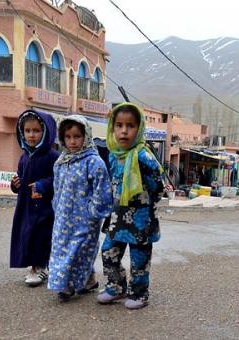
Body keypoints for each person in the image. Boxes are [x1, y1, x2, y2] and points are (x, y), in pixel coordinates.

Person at [97, 103, 165, 310]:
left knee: (139, 258)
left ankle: (139, 293)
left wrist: (144, 204)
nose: (124, 131)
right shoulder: (113, 153)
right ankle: (116, 287)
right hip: (117, 216)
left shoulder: (144, 156)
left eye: (130, 126)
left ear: (139, 128)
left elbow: (158, 187)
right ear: (112, 128)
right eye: (118, 125)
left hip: (140, 218)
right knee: (109, 251)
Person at [48, 115, 113, 302]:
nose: (72, 141)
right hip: (62, 218)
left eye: (77, 136)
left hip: (86, 220)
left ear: (86, 136)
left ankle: (78, 282)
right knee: (62, 251)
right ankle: (72, 283)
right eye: (68, 137)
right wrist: (56, 207)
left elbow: (102, 191)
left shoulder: (94, 162)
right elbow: (57, 188)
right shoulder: (61, 161)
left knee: (81, 251)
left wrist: (93, 213)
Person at [10, 110, 59, 286]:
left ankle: (39, 268)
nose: (31, 135)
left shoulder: (53, 156)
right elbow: (20, 177)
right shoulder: (24, 157)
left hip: (45, 205)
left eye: (36, 130)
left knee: (41, 235)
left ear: (46, 131)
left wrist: (43, 185)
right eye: (27, 131)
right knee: (27, 235)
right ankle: (35, 266)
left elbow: (59, 178)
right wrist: (15, 184)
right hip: (26, 205)